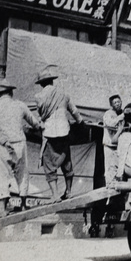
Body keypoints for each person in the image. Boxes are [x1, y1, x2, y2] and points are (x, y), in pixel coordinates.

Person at [0, 78, 43, 219]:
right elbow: (34, 122)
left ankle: (2, 208)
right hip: (19, 143)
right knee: (23, 174)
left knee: (3, 175)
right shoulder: (20, 105)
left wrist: (3, 140)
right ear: (11, 92)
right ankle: (24, 205)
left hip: (4, 145)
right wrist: (40, 125)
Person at [35, 65, 84, 202]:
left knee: (49, 163)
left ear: (41, 84)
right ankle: (68, 192)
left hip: (49, 132)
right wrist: (80, 122)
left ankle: (55, 195)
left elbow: (41, 114)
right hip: (64, 131)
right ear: (51, 81)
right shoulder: (64, 93)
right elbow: (74, 112)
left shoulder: (38, 96)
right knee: (66, 160)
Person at [102, 94, 126, 186]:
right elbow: (110, 123)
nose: (117, 104)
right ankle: (108, 186)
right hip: (109, 146)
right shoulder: (108, 113)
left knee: (118, 168)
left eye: (119, 102)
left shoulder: (121, 113)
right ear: (111, 105)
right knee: (109, 168)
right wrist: (122, 116)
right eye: (115, 102)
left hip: (118, 146)